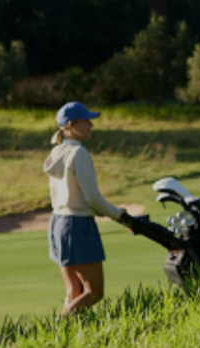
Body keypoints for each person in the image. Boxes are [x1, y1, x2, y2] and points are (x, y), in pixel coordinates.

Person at [43, 102, 138, 315]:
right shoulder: (79, 153)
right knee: (94, 292)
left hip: (58, 224)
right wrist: (118, 215)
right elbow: (92, 198)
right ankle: (60, 326)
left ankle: (66, 338)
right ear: (70, 125)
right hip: (78, 226)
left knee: (74, 292)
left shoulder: (57, 152)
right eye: (86, 120)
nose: (90, 125)